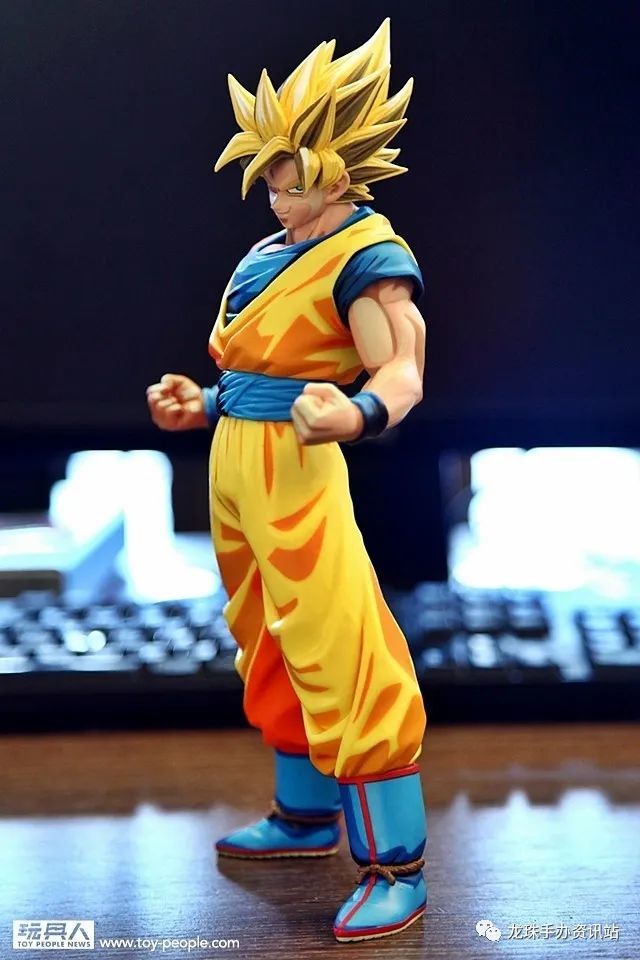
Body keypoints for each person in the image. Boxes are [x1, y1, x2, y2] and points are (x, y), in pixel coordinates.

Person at [146, 19, 429, 943]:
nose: (277, 193)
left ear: (341, 170)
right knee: (266, 638)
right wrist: (203, 401)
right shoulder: (272, 249)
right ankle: (305, 815)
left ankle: (396, 864)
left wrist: (358, 415)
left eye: (292, 176)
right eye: (269, 176)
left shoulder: (367, 258)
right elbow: (258, 365)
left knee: (341, 644)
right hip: (238, 459)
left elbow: (401, 370)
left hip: (300, 465)